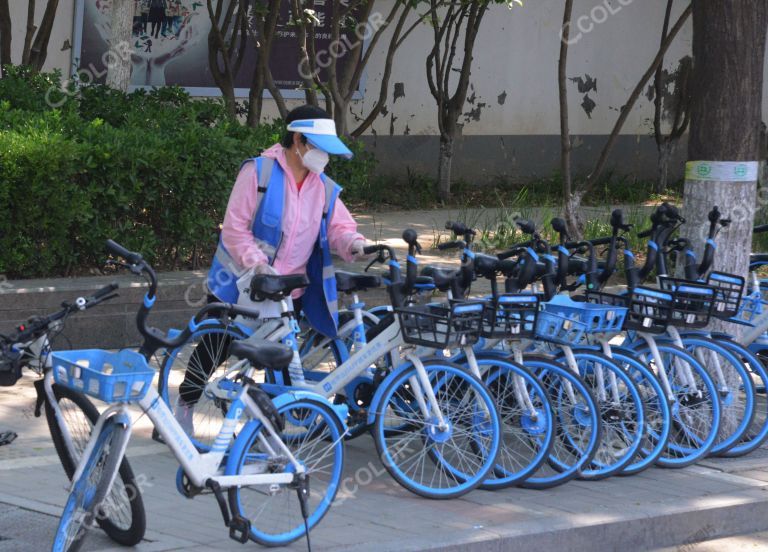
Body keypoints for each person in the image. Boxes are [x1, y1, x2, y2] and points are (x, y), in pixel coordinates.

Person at [175, 105, 368, 432]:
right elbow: (235, 230)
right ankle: (183, 408)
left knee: (272, 359)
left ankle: (256, 428)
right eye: (319, 148)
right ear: (298, 140)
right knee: (215, 347)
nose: (324, 157)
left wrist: (355, 243)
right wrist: (259, 266)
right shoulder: (259, 173)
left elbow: (339, 227)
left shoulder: (323, 186)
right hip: (240, 283)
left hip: (287, 292)